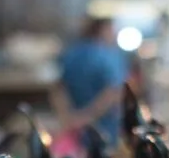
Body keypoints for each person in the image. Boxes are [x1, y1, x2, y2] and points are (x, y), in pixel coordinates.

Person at [51, 17, 128, 150]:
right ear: (103, 29)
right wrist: (88, 116)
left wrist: (68, 117)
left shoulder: (71, 54)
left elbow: (58, 89)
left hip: (74, 129)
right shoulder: (108, 56)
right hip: (103, 129)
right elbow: (113, 92)